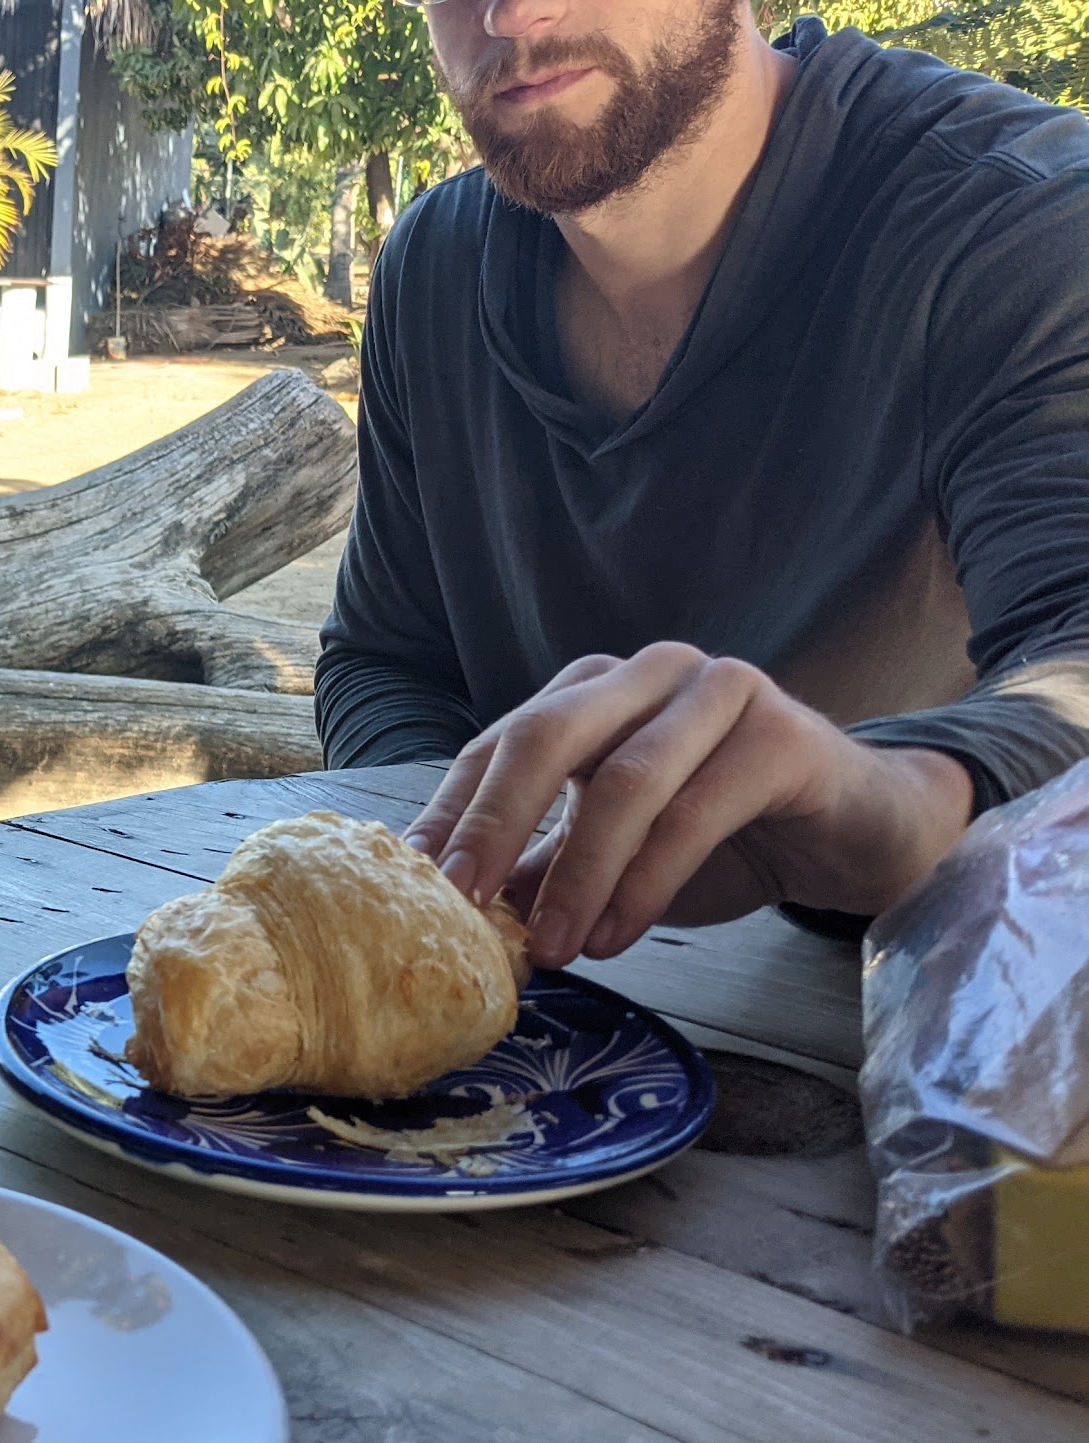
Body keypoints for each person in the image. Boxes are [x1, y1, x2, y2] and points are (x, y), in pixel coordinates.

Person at [322, 0, 1089, 967]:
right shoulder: (430, 270)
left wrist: (905, 802)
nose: (510, 14)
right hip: (554, 1028)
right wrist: (448, 882)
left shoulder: (1024, 225)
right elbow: (386, 658)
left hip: (935, 1018)